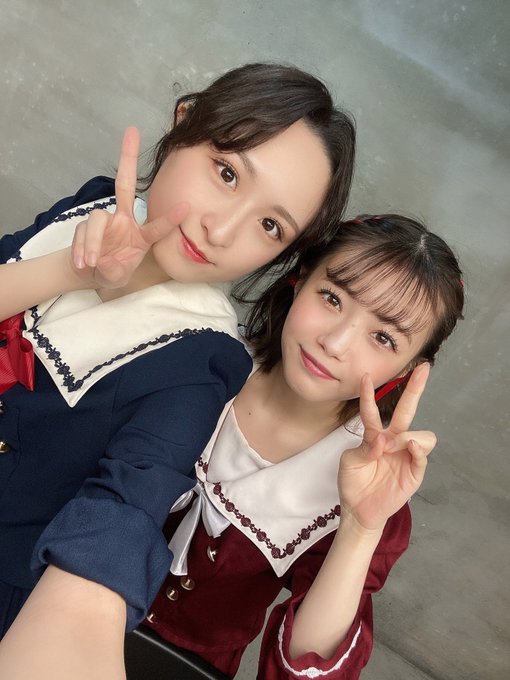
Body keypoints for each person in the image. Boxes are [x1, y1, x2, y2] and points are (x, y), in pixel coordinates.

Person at [0, 61, 356, 671]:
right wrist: (71, 271)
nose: (222, 230)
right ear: (184, 122)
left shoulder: (202, 364)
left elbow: (125, 511)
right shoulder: (94, 206)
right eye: (227, 173)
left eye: (270, 225)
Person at [138, 214, 465, 679]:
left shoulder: (371, 483)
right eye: (332, 298)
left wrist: (359, 528)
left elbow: (302, 668)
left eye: (383, 337)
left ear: (409, 370)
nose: (334, 342)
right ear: (300, 280)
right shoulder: (195, 357)